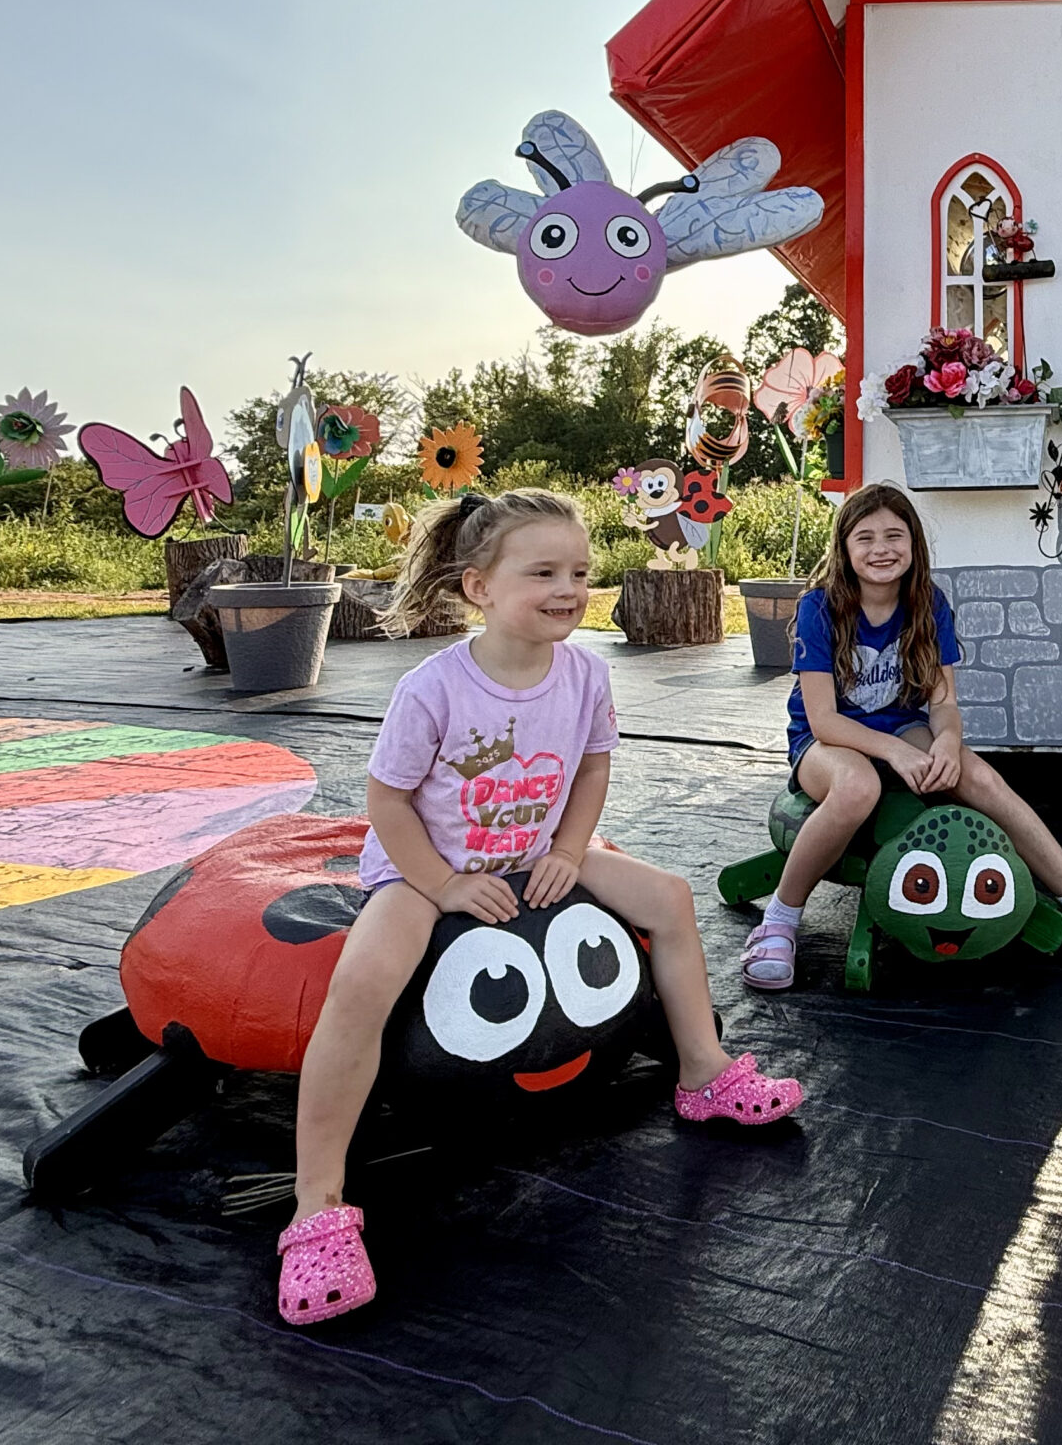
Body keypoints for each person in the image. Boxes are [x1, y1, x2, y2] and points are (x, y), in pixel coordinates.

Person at [277, 488, 803, 1327]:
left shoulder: (585, 671)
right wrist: (442, 887)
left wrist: (563, 853)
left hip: (531, 856)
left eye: (581, 572)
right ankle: (317, 1207)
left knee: (667, 897)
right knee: (362, 985)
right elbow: (386, 800)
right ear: (479, 586)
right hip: (426, 868)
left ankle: (702, 1073)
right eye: (545, 572)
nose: (569, 588)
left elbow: (593, 767)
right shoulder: (434, 689)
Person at [742, 481, 1062, 991]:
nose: (881, 548)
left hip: (904, 725)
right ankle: (780, 920)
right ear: (844, 548)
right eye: (864, 538)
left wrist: (947, 742)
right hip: (828, 741)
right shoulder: (822, 608)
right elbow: (824, 721)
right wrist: (892, 752)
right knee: (858, 787)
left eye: (894, 535)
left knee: (984, 780)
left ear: (914, 545)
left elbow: (942, 703)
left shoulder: (928, 604)